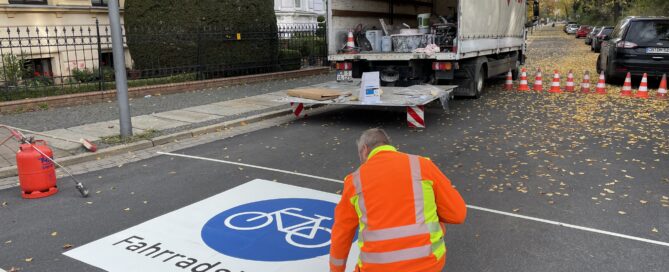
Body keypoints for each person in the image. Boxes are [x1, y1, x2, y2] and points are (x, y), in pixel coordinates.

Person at [329, 128, 467, 272]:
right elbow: (458, 214)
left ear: (364, 149)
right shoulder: (422, 165)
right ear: (387, 145)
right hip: (428, 265)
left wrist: (336, 270)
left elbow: (341, 234)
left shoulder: (354, 181)